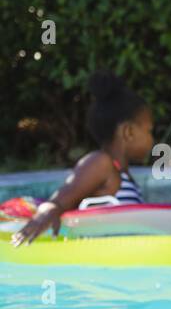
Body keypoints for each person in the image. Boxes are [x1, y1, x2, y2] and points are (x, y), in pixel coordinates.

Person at [9, 71, 153, 246]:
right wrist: (44, 215)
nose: (152, 139)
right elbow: (59, 200)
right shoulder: (101, 163)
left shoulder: (124, 175)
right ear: (128, 132)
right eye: (149, 131)